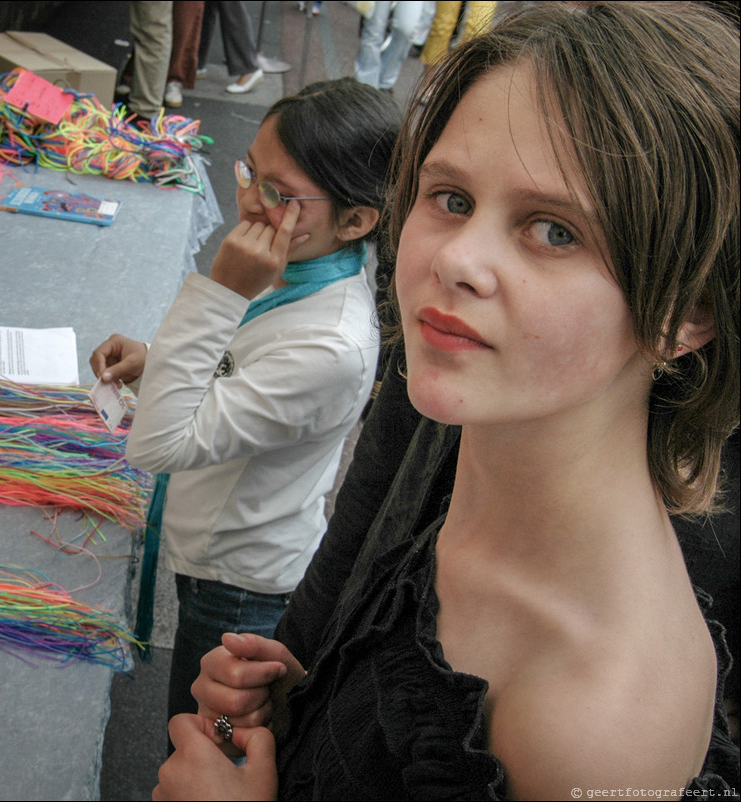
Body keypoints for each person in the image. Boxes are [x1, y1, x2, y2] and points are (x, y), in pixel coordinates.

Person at [155, 3, 740, 798]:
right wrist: (311, 713)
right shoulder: (479, 481)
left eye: (554, 230)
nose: (458, 258)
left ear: (688, 311)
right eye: (452, 199)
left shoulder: (597, 730)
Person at [90, 79, 401, 739]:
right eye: (250, 171)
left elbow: (155, 447)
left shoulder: (333, 345)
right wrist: (155, 361)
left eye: (280, 193)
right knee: (204, 727)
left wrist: (221, 291)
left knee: (207, 741)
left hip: (239, 580)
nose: (249, 200)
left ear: (357, 220)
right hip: (213, 540)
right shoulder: (304, 262)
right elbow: (237, 370)